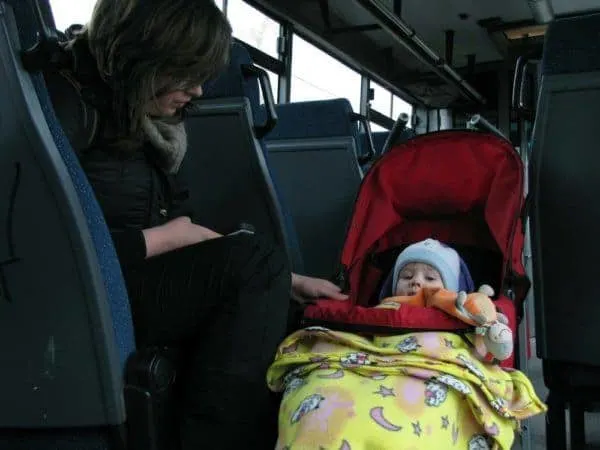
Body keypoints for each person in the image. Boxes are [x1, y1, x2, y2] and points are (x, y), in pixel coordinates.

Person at [44, 0, 346, 448]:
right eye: (187, 74)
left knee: (263, 266)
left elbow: (179, 230)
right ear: (145, 58)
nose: (200, 92)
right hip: (84, 292)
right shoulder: (66, 107)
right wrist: (161, 238)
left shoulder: (134, 120)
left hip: (123, 276)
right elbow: (45, 249)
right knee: (254, 264)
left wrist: (290, 279)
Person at [267, 239, 546, 449]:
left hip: (435, 357)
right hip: (370, 356)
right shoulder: (382, 309)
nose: (416, 283)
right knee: (317, 397)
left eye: (430, 277)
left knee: (414, 418)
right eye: (407, 276)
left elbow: (483, 343)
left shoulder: (460, 312)